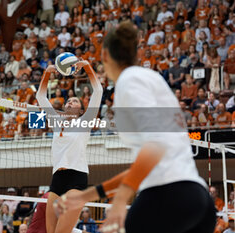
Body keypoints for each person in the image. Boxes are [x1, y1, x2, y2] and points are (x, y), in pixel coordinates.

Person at [54, 21, 216, 233]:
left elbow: (155, 147)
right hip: (197, 199)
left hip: (169, 194)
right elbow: (147, 163)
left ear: (104, 56)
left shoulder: (129, 81)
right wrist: (86, 196)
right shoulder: (152, 78)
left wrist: (120, 200)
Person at [36, 58, 102, 233]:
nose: (69, 103)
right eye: (68, 101)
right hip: (57, 180)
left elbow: (98, 90)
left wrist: (87, 66)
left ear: (81, 110)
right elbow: (40, 96)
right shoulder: (55, 120)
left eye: (74, 101)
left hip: (77, 178)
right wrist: (47, 72)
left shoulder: (85, 122)